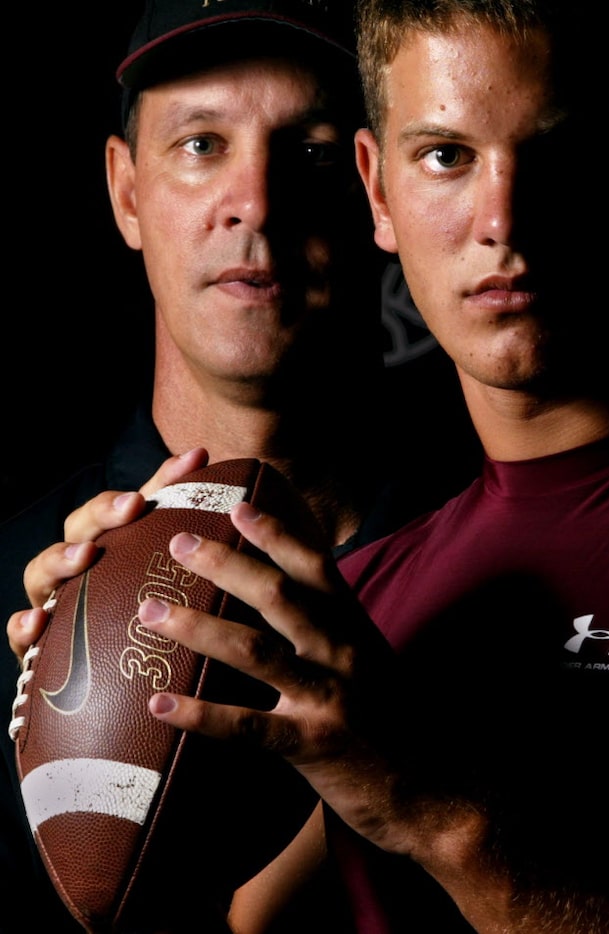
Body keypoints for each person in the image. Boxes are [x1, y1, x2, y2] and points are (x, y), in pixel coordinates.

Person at [9, 1, 609, 931]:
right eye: (447, 155)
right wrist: (110, 734)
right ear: (382, 190)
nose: (501, 220)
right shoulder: (372, 583)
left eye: (551, 151)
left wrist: (434, 811)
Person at [0, 1, 476, 931]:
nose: (254, 201)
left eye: (308, 152)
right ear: (127, 192)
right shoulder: (15, 583)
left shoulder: (480, 553)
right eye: (201, 143)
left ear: (374, 192)